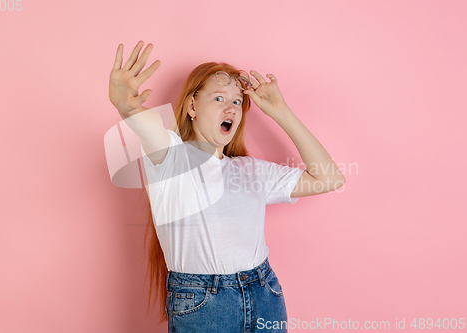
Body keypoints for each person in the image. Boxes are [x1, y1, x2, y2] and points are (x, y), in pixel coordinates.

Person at [109, 40, 346, 332]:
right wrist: (125, 107)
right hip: (202, 305)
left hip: (264, 293)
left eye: (236, 101)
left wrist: (281, 111)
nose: (231, 108)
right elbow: (146, 126)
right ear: (192, 106)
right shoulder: (171, 156)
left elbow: (329, 178)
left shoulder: (251, 170)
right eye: (219, 98)